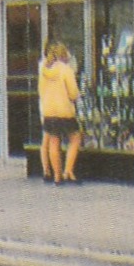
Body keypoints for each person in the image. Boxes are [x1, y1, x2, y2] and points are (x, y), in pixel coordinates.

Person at [38, 42, 82, 185]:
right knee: (75, 138)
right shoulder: (66, 70)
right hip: (64, 110)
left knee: (53, 141)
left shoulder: (44, 71)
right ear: (63, 54)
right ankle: (68, 171)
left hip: (49, 111)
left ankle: (57, 176)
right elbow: (73, 93)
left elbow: (40, 91)